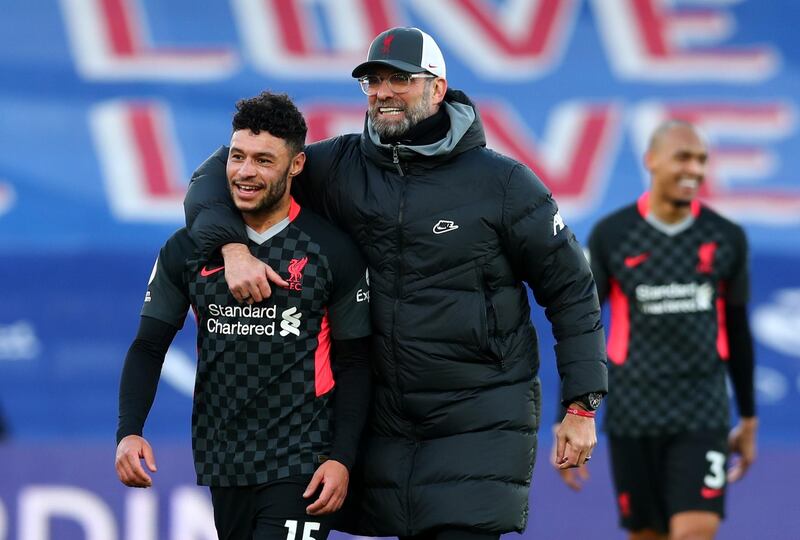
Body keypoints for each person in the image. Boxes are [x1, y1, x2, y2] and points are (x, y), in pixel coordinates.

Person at [184, 27, 608, 539]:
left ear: (437, 87)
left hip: (476, 417)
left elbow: (571, 290)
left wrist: (582, 403)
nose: (382, 92)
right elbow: (216, 176)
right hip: (375, 422)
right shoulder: (336, 167)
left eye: (400, 80)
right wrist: (230, 246)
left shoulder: (506, 185)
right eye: (372, 81)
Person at [115, 92, 372, 540]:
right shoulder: (186, 250)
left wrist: (341, 458)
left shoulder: (331, 251)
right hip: (224, 459)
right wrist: (129, 431)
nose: (245, 172)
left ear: (295, 166)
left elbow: (355, 362)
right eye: (237, 157)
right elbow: (148, 346)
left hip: (301, 461)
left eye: (263, 160)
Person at [560, 120, 758, 540]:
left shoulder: (726, 237)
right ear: (652, 160)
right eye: (683, 157)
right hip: (634, 412)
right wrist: (576, 412)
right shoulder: (614, 234)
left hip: (702, 412)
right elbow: (584, 322)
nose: (694, 169)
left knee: (693, 532)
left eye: (702, 160)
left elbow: (738, 332)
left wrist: (750, 419)